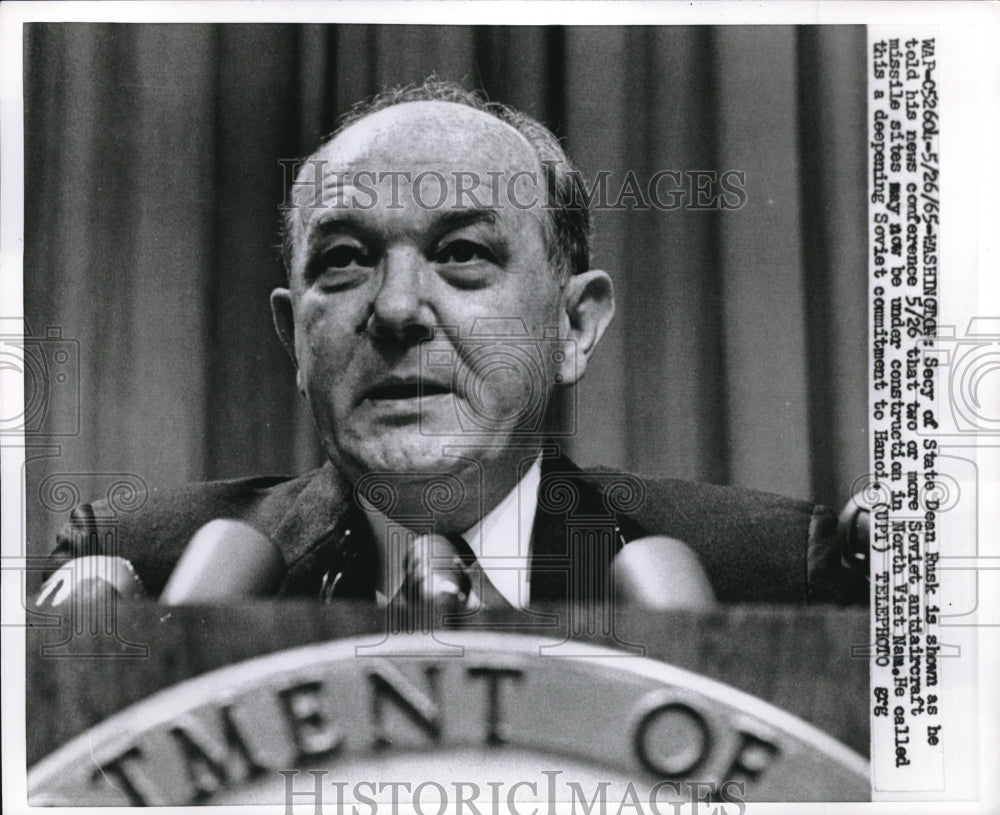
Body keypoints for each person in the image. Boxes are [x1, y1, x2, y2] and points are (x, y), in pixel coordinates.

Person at [39, 80, 854, 611]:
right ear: (293, 335)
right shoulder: (137, 572)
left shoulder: (774, 578)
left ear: (574, 325)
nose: (396, 310)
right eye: (345, 260)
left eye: (463, 253)